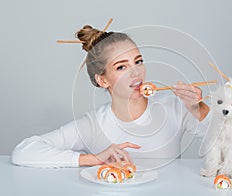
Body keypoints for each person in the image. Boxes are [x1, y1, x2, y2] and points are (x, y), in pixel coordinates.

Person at [11, 24, 211, 168]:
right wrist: (94, 159)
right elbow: (24, 151)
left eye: (138, 61)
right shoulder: (92, 125)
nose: (136, 73)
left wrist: (200, 110)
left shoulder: (175, 106)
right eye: (121, 66)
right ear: (103, 80)